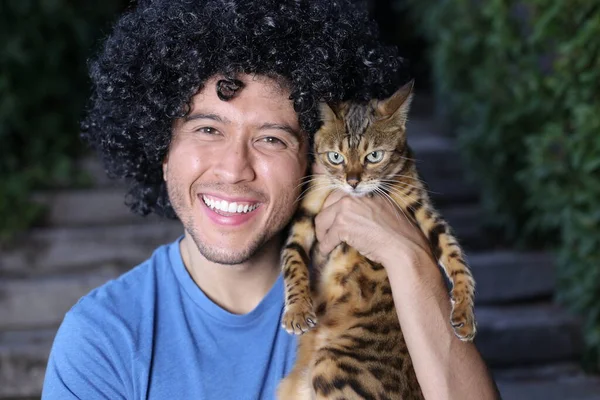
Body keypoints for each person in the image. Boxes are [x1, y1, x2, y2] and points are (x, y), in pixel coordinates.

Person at [42, 0, 500, 399]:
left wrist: (411, 260)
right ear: (162, 152)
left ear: (314, 159)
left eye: (272, 139)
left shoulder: (383, 299)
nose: (234, 169)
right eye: (208, 129)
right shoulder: (103, 337)